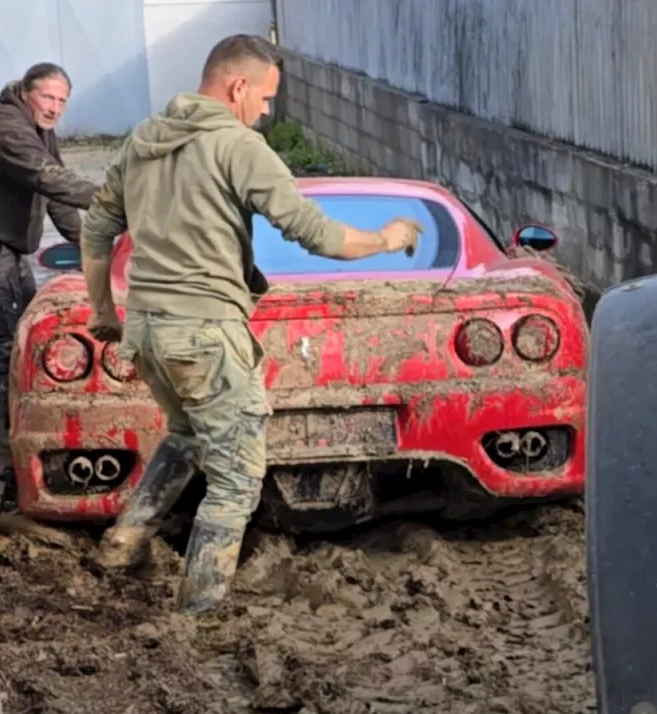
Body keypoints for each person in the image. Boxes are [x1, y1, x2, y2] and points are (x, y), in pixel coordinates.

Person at [80, 34, 423, 614]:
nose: (266, 112)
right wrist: (388, 238)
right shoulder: (238, 146)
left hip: (146, 329)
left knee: (186, 435)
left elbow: (95, 227)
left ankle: (124, 542)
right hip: (206, 332)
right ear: (238, 87)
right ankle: (199, 611)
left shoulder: (143, 139)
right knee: (237, 481)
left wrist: (103, 311)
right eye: (265, 99)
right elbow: (319, 236)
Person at [0, 62, 99, 494]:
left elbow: (55, 194)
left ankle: (16, 417)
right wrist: (115, 199)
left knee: (25, 328)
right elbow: (49, 177)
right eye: (47, 97)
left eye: (61, 101)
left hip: (5, 238)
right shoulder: (6, 131)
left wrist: (87, 247)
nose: (54, 108)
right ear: (26, 92)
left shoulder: (35, 126)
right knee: (2, 333)